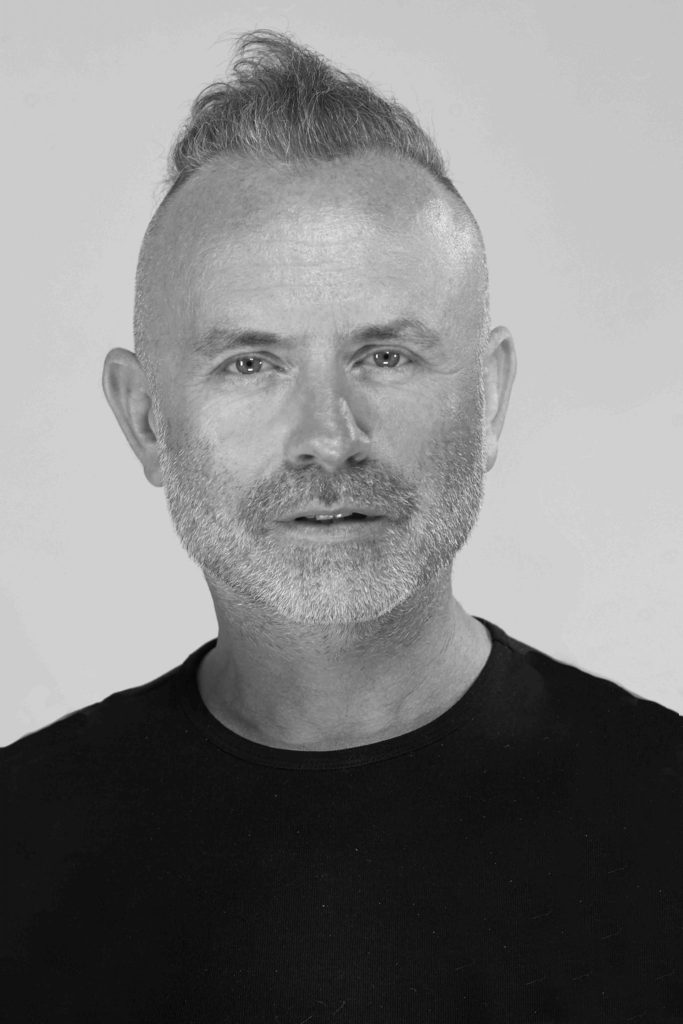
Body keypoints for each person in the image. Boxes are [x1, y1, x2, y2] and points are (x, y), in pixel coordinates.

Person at [2, 29, 681, 1023]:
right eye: (249, 364)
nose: (327, 436)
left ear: (488, 399)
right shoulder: (19, 840)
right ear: (146, 420)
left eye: (385, 357)